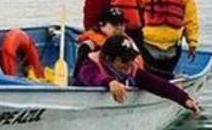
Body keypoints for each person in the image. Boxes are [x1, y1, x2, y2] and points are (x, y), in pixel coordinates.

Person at [73, 34, 201, 116]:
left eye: (131, 58)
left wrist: (185, 99)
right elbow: (91, 77)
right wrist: (110, 82)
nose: (129, 63)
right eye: (124, 60)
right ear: (107, 59)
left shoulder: (131, 69)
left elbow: (158, 85)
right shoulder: (90, 65)